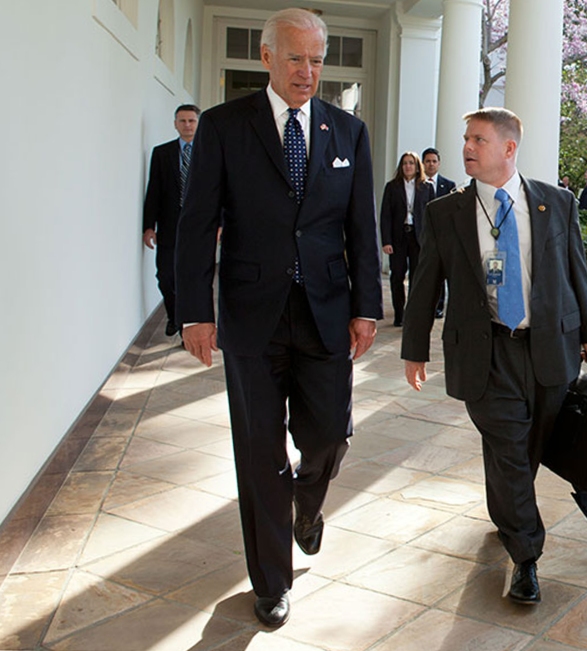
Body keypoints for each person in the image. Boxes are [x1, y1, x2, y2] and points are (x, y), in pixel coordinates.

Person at [174, 8, 382, 628]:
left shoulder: (349, 131)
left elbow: (359, 229)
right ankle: (271, 581)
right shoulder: (223, 126)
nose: (308, 72)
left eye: (317, 60)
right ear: (267, 57)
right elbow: (195, 226)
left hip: (326, 312)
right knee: (259, 452)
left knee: (330, 435)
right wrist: (194, 312)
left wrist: (368, 305)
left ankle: (308, 507)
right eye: (295, 59)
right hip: (248, 317)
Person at [401, 107, 587, 606]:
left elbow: (577, 271)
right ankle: (527, 556)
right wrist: (414, 347)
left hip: (550, 347)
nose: (466, 147)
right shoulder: (444, 212)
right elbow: (425, 284)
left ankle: (506, 513)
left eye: (479, 139)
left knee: (527, 447)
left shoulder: (556, 203)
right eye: (466, 138)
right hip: (486, 351)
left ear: (509, 149)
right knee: (509, 447)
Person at [143, 104, 199, 337]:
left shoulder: (210, 152)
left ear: (198, 123)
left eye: (191, 121)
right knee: (165, 277)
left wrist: (220, 224)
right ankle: (175, 316)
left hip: (198, 228)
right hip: (168, 227)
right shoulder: (162, 153)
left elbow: (221, 191)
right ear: (175, 124)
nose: (187, 125)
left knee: (193, 280)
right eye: (182, 121)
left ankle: (187, 327)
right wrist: (148, 226)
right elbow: (153, 191)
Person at [380, 152, 433, 327]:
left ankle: (412, 313)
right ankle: (399, 314)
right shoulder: (392, 187)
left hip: (418, 237)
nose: (408, 166)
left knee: (417, 278)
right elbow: (385, 216)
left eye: (411, 163)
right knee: (397, 275)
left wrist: (431, 240)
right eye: (405, 163)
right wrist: (386, 241)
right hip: (399, 236)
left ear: (417, 166)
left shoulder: (426, 187)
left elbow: (432, 216)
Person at [422, 147, 456, 318]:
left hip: (443, 235)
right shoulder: (418, 185)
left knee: (441, 273)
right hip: (421, 235)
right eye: (428, 161)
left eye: (434, 161)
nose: (431, 164)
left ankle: (439, 306)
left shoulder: (448, 185)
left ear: (439, 163)